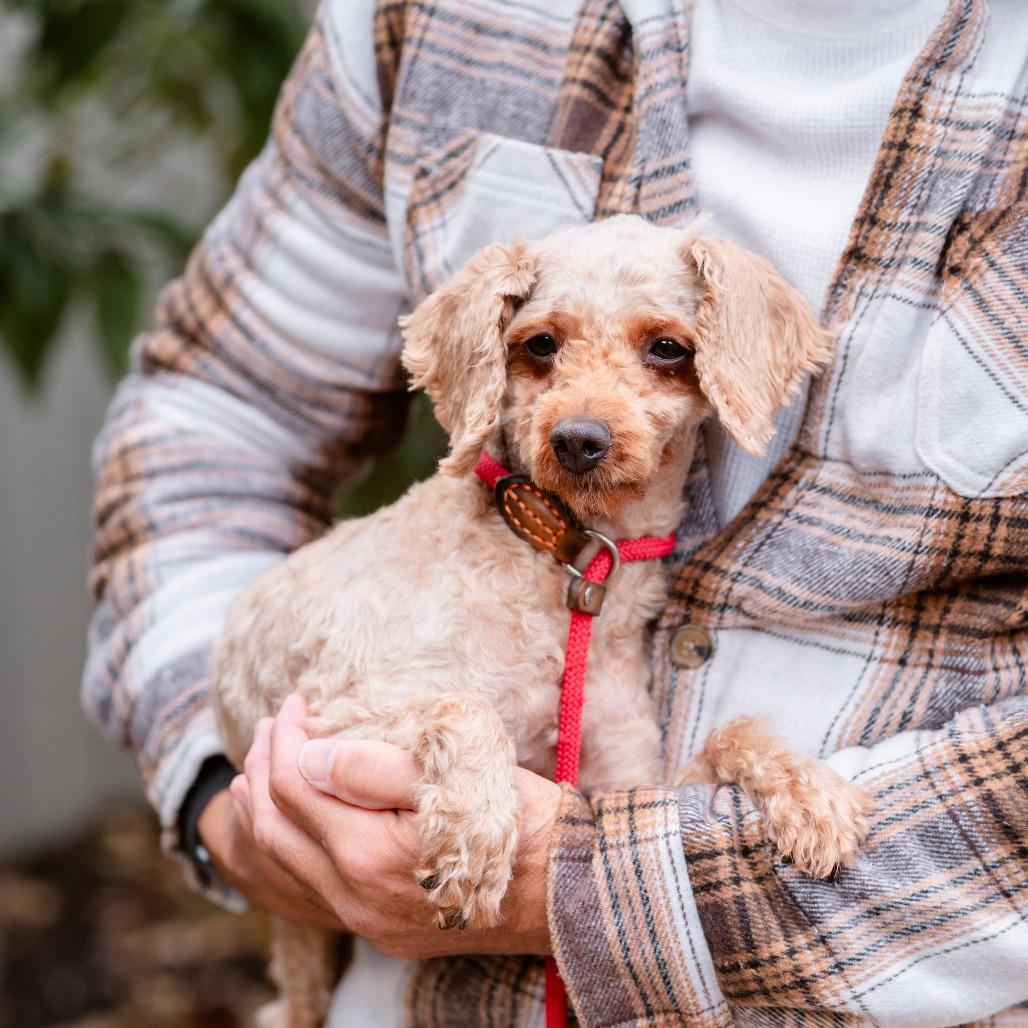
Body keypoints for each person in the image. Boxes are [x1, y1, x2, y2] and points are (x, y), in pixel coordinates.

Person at [83, 0, 1028, 1024]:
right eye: (541, 348)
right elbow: (218, 405)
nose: (579, 418)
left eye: (661, 351)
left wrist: (599, 885)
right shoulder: (419, 17)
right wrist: (229, 800)